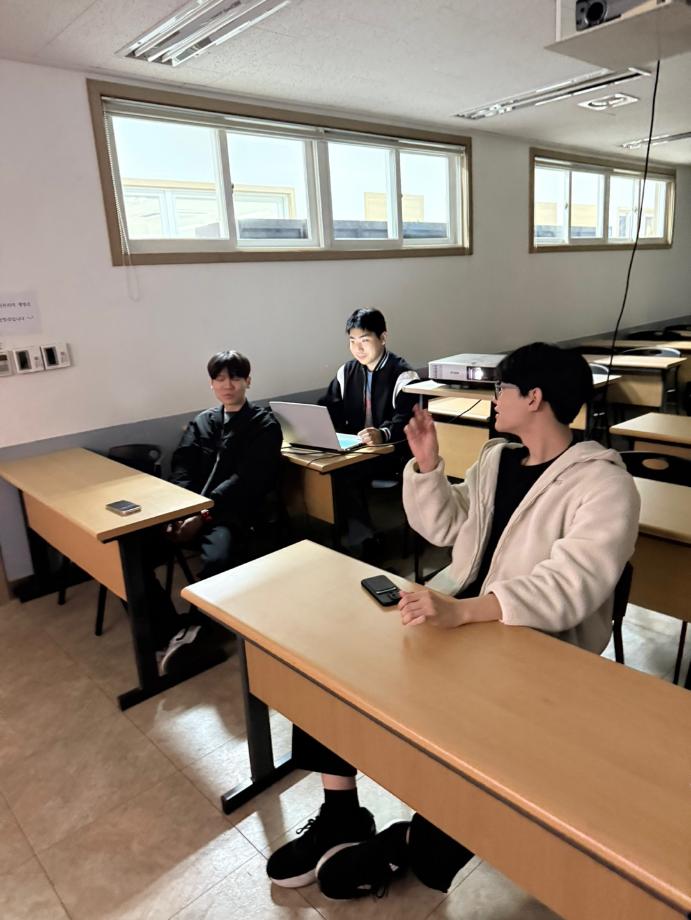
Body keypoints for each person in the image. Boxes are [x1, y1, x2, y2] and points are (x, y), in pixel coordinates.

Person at [266, 342, 640, 899]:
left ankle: (412, 840)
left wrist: (465, 611)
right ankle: (341, 811)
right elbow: (446, 529)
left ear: (534, 398)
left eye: (502, 389)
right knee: (331, 664)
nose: (494, 400)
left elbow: (571, 587)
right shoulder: (497, 459)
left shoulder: (603, 484)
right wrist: (427, 466)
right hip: (460, 616)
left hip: (533, 644)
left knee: (456, 809)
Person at [148, 350, 283, 674]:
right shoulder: (203, 422)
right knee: (135, 549)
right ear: (211, 384)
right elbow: (182, 466)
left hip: (232, 514)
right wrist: (180, 510)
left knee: (219, 557)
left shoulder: (264, 425)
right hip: (189, 511)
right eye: (220, 379)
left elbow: (247, 480)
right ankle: (164, 628)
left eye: (235, 378)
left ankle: (197, 631)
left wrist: (204, 514)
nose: (228, 385)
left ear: (248, 381)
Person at [319, 308, 418, 551]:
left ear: (383, 338)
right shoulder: (346, 371)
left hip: (390, 453)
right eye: (352, 341)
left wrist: (382, 433)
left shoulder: (403, 374)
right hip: (355, 450)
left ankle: (364, 542)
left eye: (364, 340)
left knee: (345, 473)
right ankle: (346, 536)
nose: (358, 348)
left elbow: (405, 420)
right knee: (322, 471)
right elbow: (329, 407)